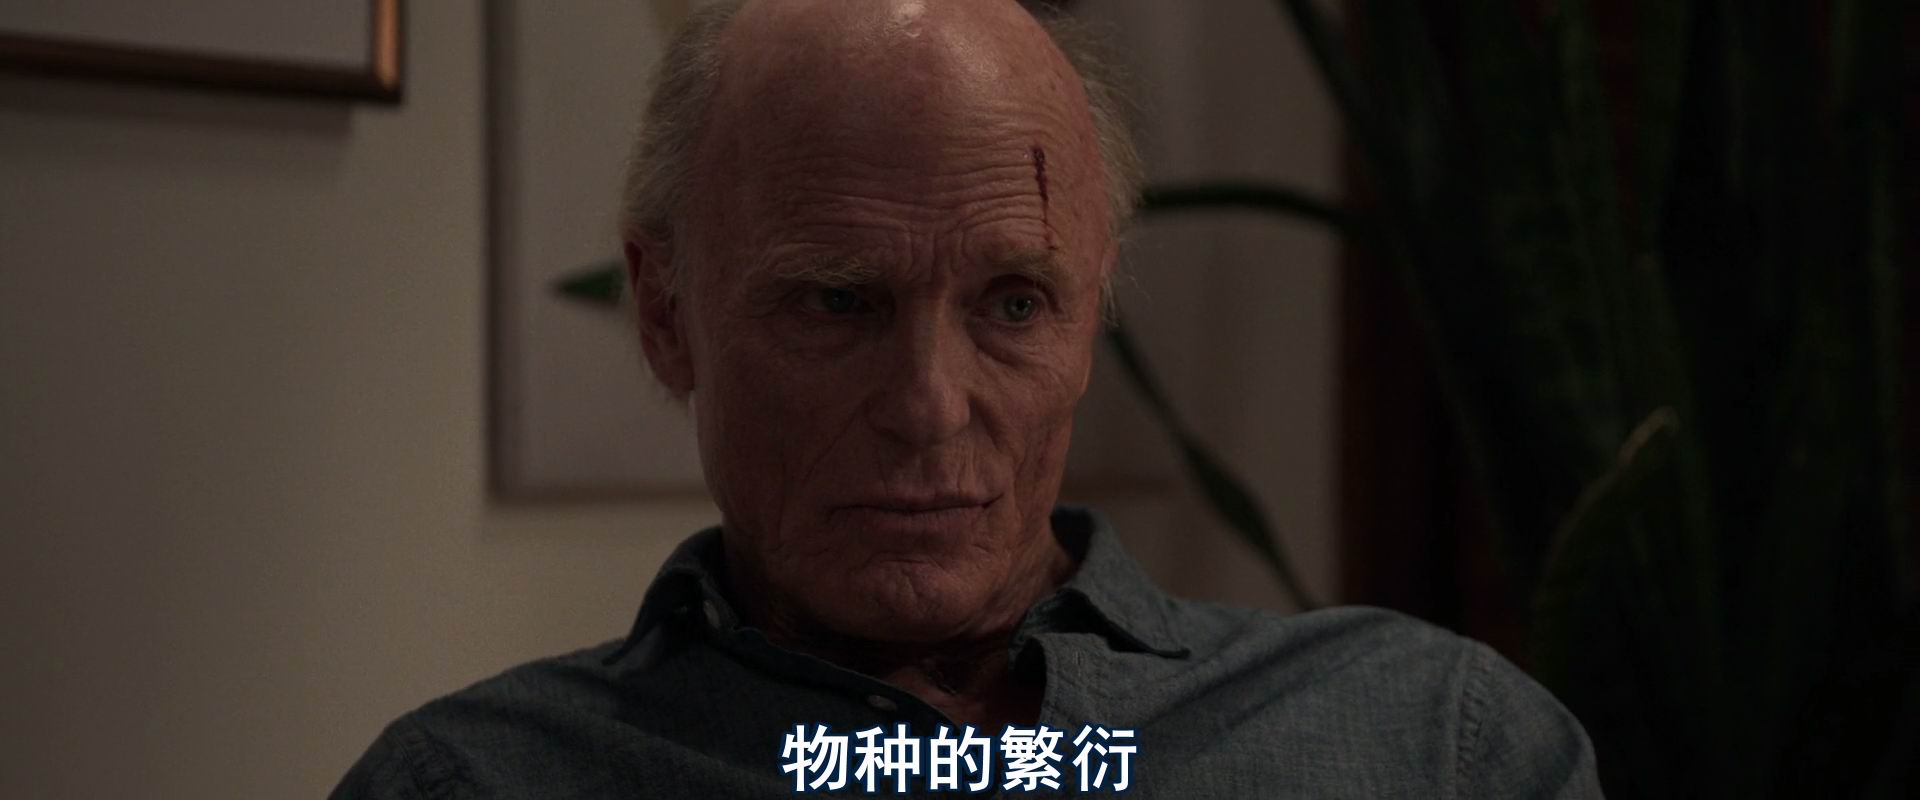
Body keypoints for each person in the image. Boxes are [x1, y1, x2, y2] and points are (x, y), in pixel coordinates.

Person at [335, 0, 1603, 796]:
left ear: (1093, 310)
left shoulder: (1435, 740)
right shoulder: (474, 779)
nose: (930, 405)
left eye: (1013, 305)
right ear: (666, 315)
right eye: (839, 300)